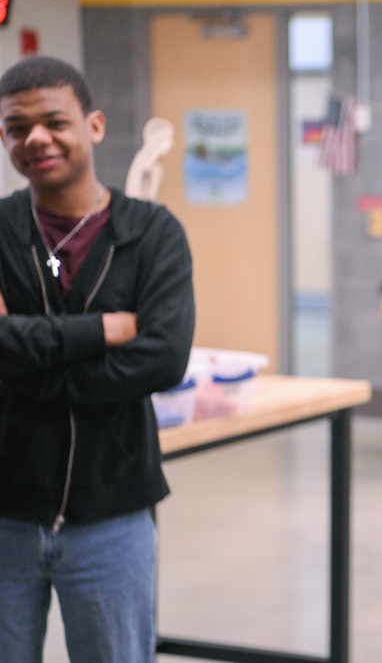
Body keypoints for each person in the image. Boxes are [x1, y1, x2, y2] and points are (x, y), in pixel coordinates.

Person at [0, 56, 195, 662]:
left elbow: (163, 359)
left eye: (54, 122)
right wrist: (101, 330)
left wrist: (23, 362)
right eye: (16, 128)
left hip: (112, 515)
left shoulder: (152, 234)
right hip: (5, 511)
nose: (36, 138)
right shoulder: (1, 230)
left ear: (95, 125)